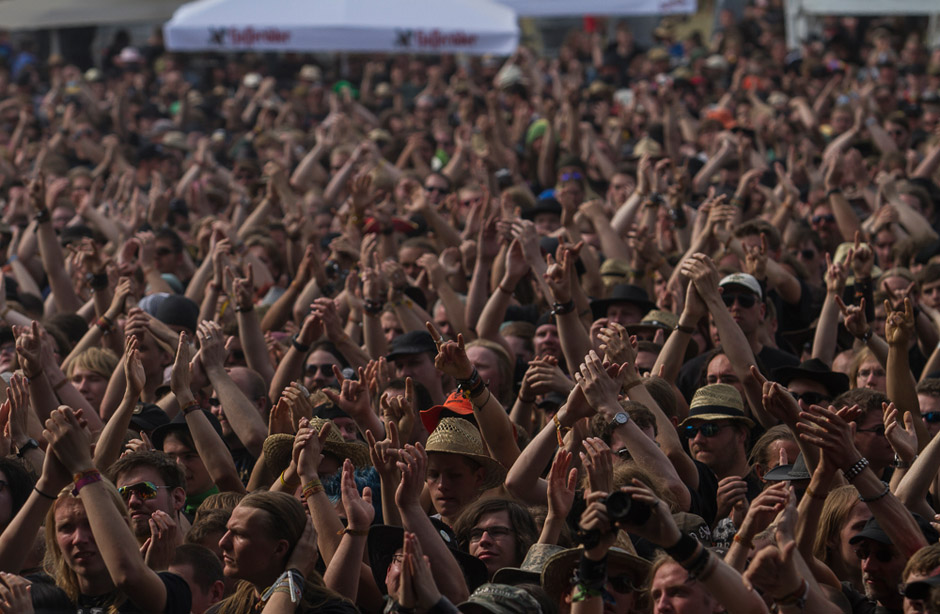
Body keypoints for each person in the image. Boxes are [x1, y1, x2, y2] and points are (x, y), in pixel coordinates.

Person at [209, 491, 357, 614]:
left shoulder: (331, 611)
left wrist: (294, 573)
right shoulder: (223, 611)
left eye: (239, 534)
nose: (223, 542)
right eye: (227, 530)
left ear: (279, 549)